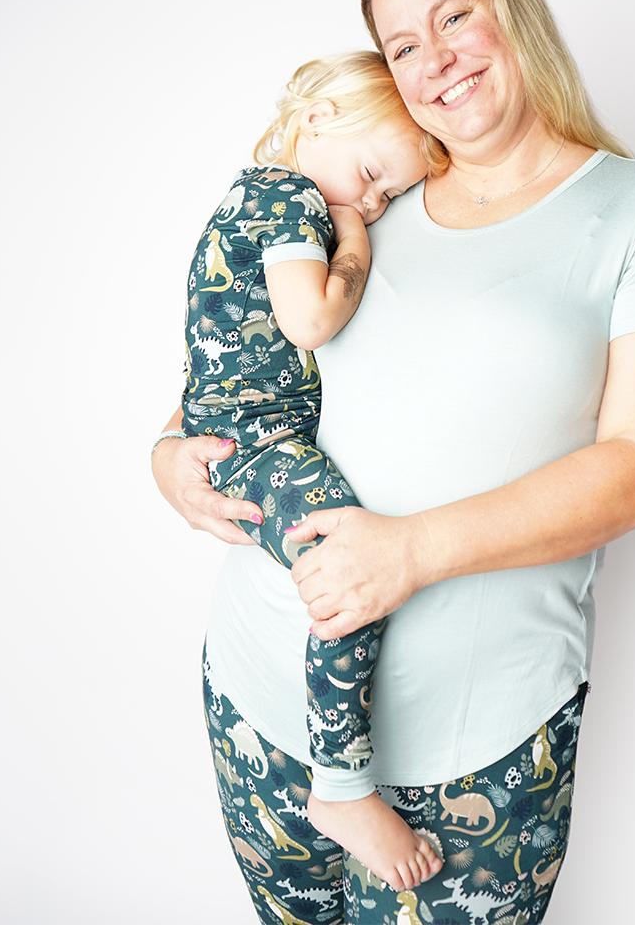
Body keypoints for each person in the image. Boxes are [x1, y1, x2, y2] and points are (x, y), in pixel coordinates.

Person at [153, 0, 635, 924]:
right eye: (403, 45)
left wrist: (409, 552)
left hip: (480, 738)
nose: (436, 59)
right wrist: (169, 451)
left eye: (455, 16)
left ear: (514, 11)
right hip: (262, 697)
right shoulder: (372, 200)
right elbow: (256, 359)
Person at [159, 50, 438, 891]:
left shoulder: (250, 194)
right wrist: (353, 244)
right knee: (350, 577)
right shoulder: (291, 198)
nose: (372, 203)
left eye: (386, 197)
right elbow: (309, 321)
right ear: (317, 121)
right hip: (255, 443)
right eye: (371, 175)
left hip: (238, 433)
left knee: (344, 575)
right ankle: (342, 787)